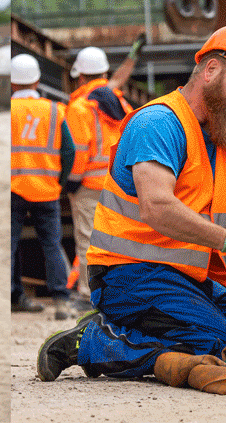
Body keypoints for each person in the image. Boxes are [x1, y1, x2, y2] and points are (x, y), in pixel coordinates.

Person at [36, 24, 226, 381]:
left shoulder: (224, 131)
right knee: (219, 351)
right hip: (128, 273)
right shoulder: (159, 123)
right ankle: (94, 341)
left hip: (182, 276)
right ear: (211, 69)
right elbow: (158, 207)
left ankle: (130, 332)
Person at [6, 53, 80, 314]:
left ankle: (15, 298)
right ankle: (61, 299)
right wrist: (59, 182)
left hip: (13, 188)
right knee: (51, 243)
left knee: (10, 244)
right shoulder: (54, 110)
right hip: (46, 189)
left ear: (12, 83)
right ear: (37, 80)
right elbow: (69, 151)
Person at [64, 46, 134, 304]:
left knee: (87, 241)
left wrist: (71, 182)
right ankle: (120, 294)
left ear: (80, 76)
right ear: (104, 72)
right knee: (118, 242)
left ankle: (86, 294)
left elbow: (78, 151)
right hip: (118, 183)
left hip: (89, 185)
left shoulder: (80, 107)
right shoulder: (121, 103)